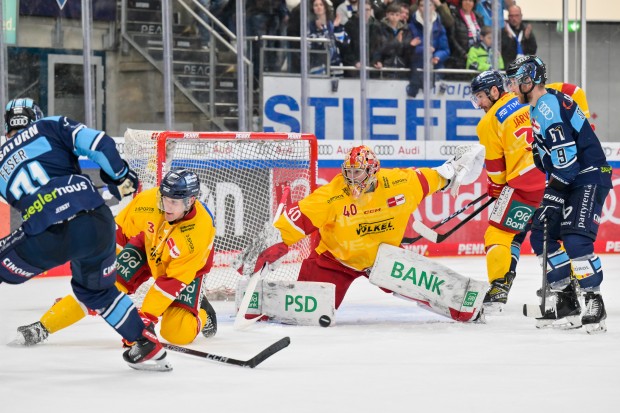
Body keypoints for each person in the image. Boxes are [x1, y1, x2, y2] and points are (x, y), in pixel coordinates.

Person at [0, 98, 171, 371]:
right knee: (98, 293)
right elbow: (101, 144)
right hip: (96, 222)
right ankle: (145, 345)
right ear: (36, 115)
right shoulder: (50, 126)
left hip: (46, 233)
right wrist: (121, 176)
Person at [242, 144, 485, 315]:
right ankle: (255, 302)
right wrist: (270, 243)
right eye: (347, 172)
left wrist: (454, 170)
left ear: (372, 172)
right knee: (306, 313)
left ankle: (469, 305)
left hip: (385, 258)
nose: (350, 178)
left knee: (447, 299)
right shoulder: (331, 194)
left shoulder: (403, 183)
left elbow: (439, 176)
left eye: (357, 172)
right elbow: (294, 222)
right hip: (334, 261)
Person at [17, 169, 218, 346]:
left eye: (173, 202)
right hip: (148, 247)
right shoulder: (149, 201)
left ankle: (202, 311)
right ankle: (42, 327)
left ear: (190, 201)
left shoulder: (199, 232)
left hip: (184, 272)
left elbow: (170, 282)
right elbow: (118, 233)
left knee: (176, 332)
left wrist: (145, 318)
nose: (166, 206)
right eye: (164, 198)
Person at [505, 56, 612, 333]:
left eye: (516, 81)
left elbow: (568, 161)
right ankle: (566, 300)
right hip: (571, 176)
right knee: (541, 233)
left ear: (530, 80)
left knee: (576, 239)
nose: (512, 87)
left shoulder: (548, 108)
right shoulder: (538, 107)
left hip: (588, 174)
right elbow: (552, 158)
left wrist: (553, 192)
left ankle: (594, 301)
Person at [469, 70, 546, 312]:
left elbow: (496, 172)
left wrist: (497, 187)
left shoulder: (488, 122)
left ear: (494, 90)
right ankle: (568, 285)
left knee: (498, 233)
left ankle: (499, 288)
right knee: (555, 235)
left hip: (526, 184)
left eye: (480, 96)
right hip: (557, 176)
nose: (479, 104)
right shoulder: (532, 98)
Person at [407, 0, 451, 97]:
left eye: (429, 5)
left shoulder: (440, 27)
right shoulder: (411, 26)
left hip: (435, 70)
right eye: (422, 5)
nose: (426, 8)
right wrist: (424, 49)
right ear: (418, 8)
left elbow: (445, 50)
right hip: (416, 69)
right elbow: (407, 50)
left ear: (434, 8)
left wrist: (437, 57)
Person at [446, 0, 483, 70]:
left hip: (476, 56)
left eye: (470, 1)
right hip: (459, 58)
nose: (468, 3)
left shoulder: (479, 17)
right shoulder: (454, 16)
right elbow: (452, 37)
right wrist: (463, 54)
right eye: (465, 0)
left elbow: (483, 35)